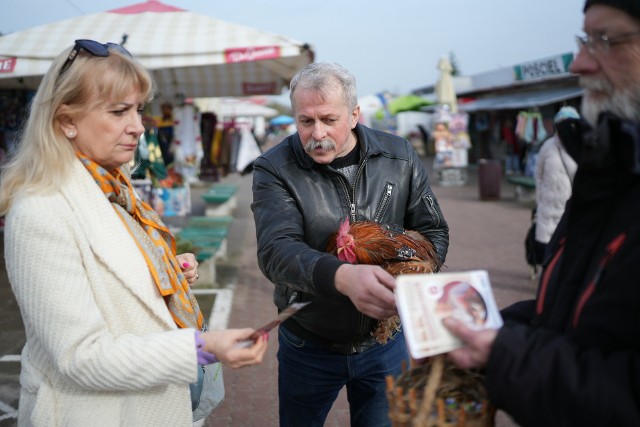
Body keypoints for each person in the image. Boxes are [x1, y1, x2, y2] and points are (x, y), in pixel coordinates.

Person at [0, 39, 268, 426]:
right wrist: (201, 347)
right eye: (119, 111)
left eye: (139, 109)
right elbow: (80, 356)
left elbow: (110, 276)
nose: (138, 127)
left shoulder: (112, 185)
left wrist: (164, 271)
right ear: (66, 121)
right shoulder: (41, 210)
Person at [443, 2, 640, 426]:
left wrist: (505, 352)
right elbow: (587, 320)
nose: (581, 62)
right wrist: (489, 326)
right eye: (584, 40)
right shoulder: (612, 167)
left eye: (605, 40)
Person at [251, 62, 449, 426]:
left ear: (355, 114)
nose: (317, 133)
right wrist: (342, 277)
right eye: (305, 121)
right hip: (310, 339)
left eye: (329, 119)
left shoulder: (399, 155)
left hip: (385, 343)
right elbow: (276, 250)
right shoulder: (275, 168)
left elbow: (433, 229)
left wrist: (412, 277)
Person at [533, 106, 580, 263]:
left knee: (566, 248)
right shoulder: (548, 146)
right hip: (547, 206)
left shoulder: (578, 147)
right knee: (545, 248)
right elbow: (538, 173)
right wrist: (541, 194)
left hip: (568, 208)